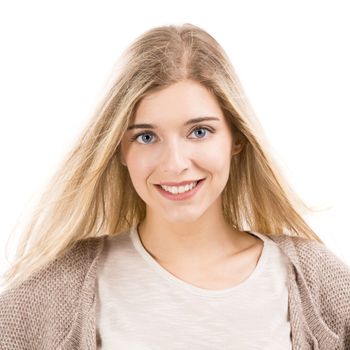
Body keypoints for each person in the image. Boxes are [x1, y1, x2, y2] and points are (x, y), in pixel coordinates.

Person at [0, 23, 349, 350]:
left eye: (199, 132)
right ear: (119, 149)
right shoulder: (59, 288)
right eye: (146, 136)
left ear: (237, 139)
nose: (174, 163)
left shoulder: (315, 281)